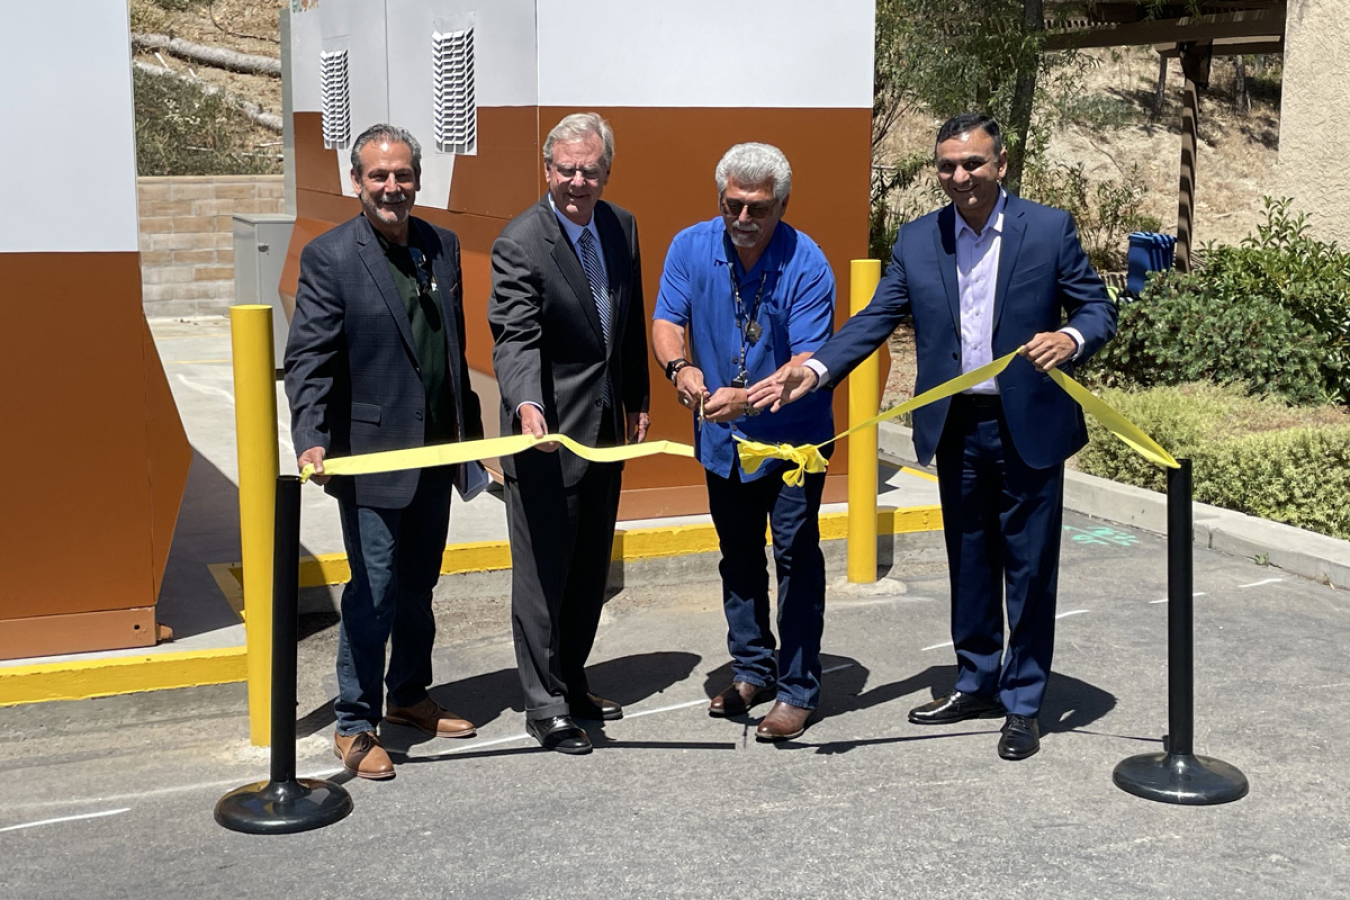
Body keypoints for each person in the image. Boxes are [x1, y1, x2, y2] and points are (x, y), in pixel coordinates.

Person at [750, 113, 1117, 760]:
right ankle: (975, 681)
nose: (960, 176)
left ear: (1000, 164)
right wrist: (814, 370)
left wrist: (1071, 336)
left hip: (1026, 425)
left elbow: (1096, 308)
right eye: (947, 165)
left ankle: (1024, 701)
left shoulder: (1048, 229)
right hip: (954, 426)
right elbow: (875, 319)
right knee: (970, 561)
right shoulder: (919, 240)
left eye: (972, 163)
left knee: (1029, 571)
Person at [284, 123, 484, 780]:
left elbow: (451, 354)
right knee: (374, 588)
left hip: (436, 451)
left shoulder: (441, 246)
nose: (392, 186)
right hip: (370, 454)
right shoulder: (331, 256)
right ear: (357, 182)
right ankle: (354, 720)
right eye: (379, 175)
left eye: (402, 175)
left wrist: (474, 443)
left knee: (419, 583)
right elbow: (309, 358)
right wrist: (311, 436)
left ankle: (409, 695)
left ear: (417, 180)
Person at [652, 143, 835, 741]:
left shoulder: (807, 263)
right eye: (734, 205)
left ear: (782, 203)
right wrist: (681, 370)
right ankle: (753, 668)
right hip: (722, 439)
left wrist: (746, 397)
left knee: (795, 559)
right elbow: (666, 321)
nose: (745, 218)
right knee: (738, 558)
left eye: (759, 207)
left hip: (792, 444)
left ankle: (800, 688)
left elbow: (808, 362)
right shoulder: (689, 246)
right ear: (720, 199)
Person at [488, 112, 650, 755]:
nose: (577, 181)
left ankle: (573, 680)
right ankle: (545, 703)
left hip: (606, 428)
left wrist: (636, 396)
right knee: (542, 575)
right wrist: (528, 407)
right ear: (547, 169)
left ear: (606, 172)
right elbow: (515, 337)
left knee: (588, 571)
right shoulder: (520, 242)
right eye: (566, 169)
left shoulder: (621, 225)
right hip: (545, 435)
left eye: (590, 170)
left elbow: (628, 321)